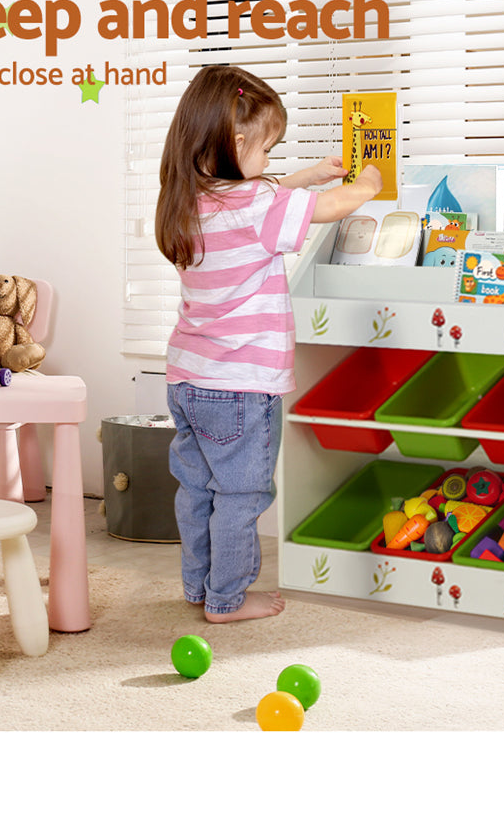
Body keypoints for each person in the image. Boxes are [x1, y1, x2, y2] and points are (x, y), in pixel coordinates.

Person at [156, 64, 382, 622]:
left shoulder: (187, 199)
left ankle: (198, 587)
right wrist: (366, 186)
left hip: (188, 380)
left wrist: (309, 175)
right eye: (266, 150)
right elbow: (323, 209)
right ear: (235, 145)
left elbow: (263, 194)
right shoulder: (256, 206)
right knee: (242, 496)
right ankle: (227, 600)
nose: (268, 161)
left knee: (198, 491)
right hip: (241, 387)